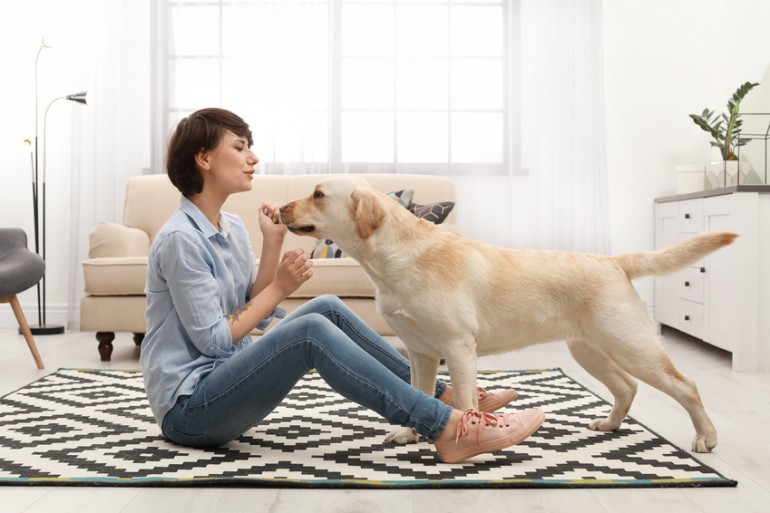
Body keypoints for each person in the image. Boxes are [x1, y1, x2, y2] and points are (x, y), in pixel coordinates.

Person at [139, 107, 545, 464]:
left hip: (228, 386)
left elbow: (247, 305)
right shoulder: (180, 240)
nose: (253, 157)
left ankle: (441, 395)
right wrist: (281, 287)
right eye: (240, 147)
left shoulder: (231, 227)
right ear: (204, 157)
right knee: (309, 332)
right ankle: (448, 428)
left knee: (327, 306)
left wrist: (274, 241)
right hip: (192, 412)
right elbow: (215, 339)